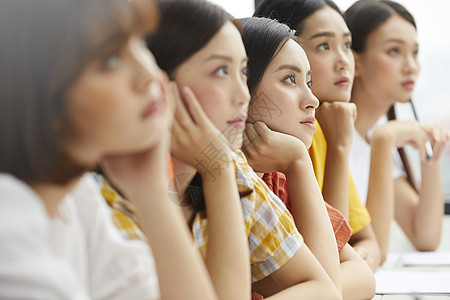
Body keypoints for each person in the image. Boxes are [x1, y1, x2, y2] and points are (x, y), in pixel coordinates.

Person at [0, 0, 218, 299]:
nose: (149, 73)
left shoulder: (76, 197)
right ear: (35, 92)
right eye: (111, 60)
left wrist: (150, 190)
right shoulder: (10, 240)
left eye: (139, 42)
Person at [146, 0, 340, 299]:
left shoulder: (236, 173)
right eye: (222, 71)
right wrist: (220, 171)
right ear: (160, 82)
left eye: (243, 72)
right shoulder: (120, 193)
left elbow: (327, 290)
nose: (241, 94)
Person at [240, 16, 375, 299]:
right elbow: (328, 290)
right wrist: (299, 162)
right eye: (290, 79)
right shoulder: (235, 182)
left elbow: (361, 276)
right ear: (243, 90)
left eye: (309, 82)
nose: (312, 99)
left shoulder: (275, 179)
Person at [344, 0, 449, 261]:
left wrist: (431, 155)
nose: (411, 66)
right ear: (355, 61)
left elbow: (425, 237)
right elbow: (375, 253)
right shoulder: (333, 137)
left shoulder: (378, 136)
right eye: (394, 51)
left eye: (415, 52)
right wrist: (385, 140)